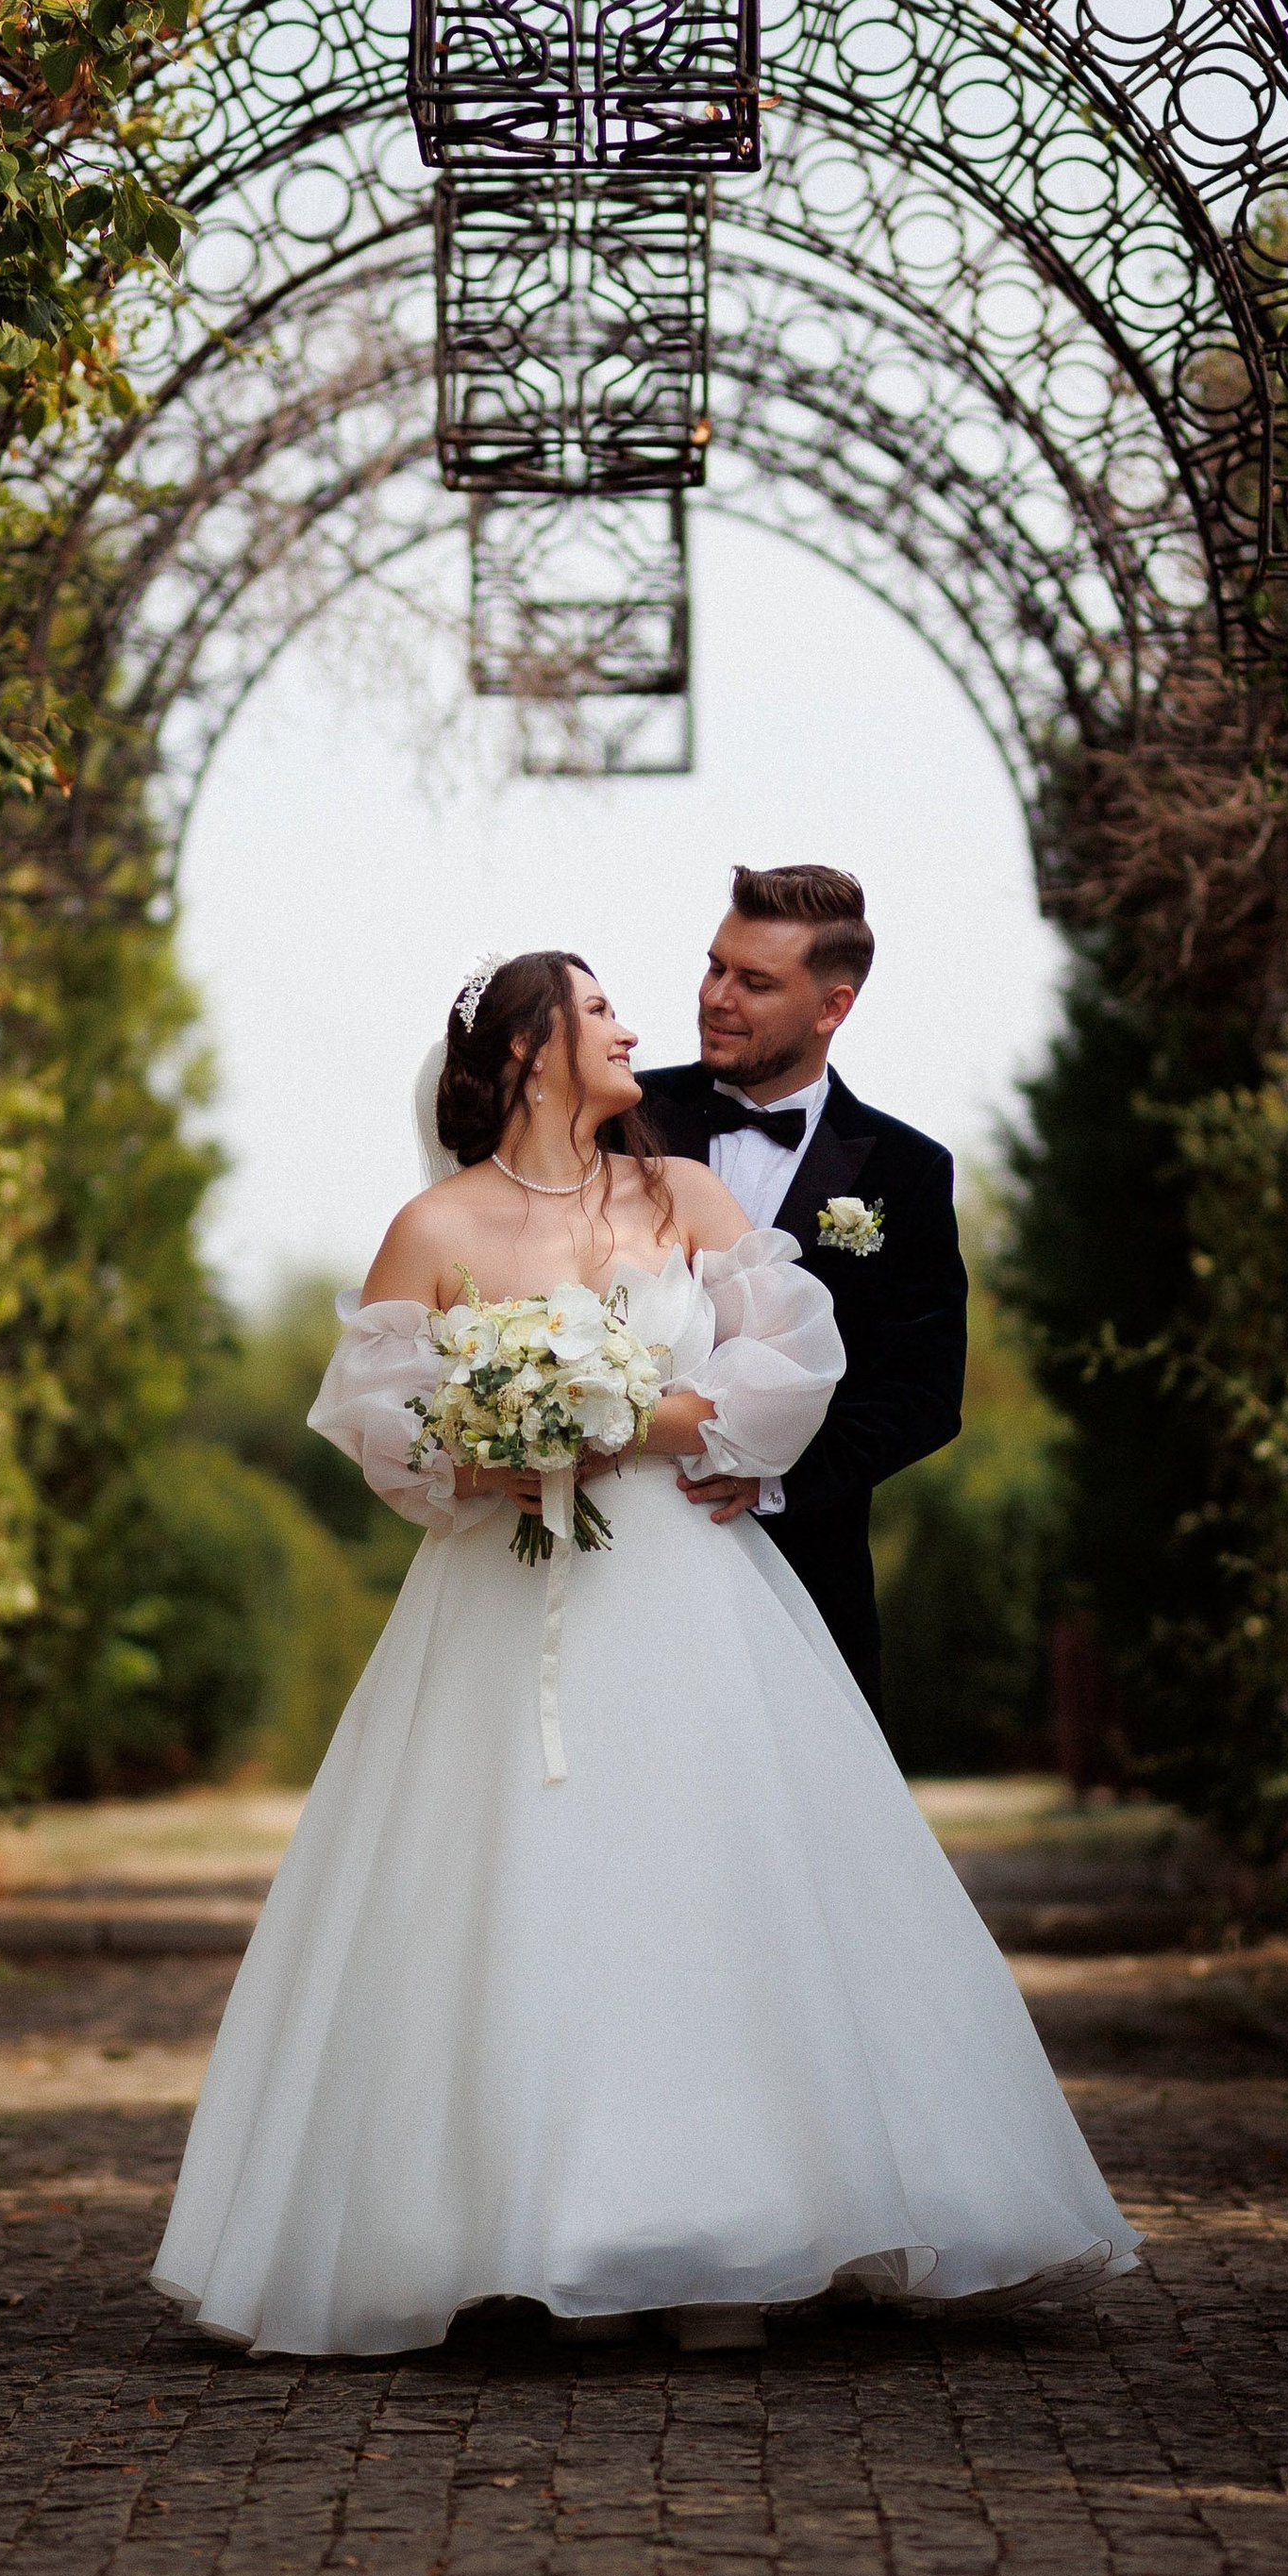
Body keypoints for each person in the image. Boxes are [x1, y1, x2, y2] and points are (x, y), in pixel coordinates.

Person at [148, 947, 1137, 2360]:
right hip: (502, 1602)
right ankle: (532, 2235)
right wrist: (495, 1449)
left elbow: (792, 1362)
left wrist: (645, 1418)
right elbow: (386, 1427)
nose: (633, 1024)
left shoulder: (679, 1194)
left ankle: (730, 2235)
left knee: (704, 1880)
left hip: (686, 1585)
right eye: (600, 1006)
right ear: (535, 1051)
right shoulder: (434, 1226)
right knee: (514, 1888)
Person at [622, 862, 967, 1713]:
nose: (717, 996)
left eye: (755, 981)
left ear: (832, 1007)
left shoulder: (905, 1171)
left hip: (806, 1568)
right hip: (619, 1553)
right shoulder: (617, 1121)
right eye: (715, 967)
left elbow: (924, 1394)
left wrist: (774, 1478)